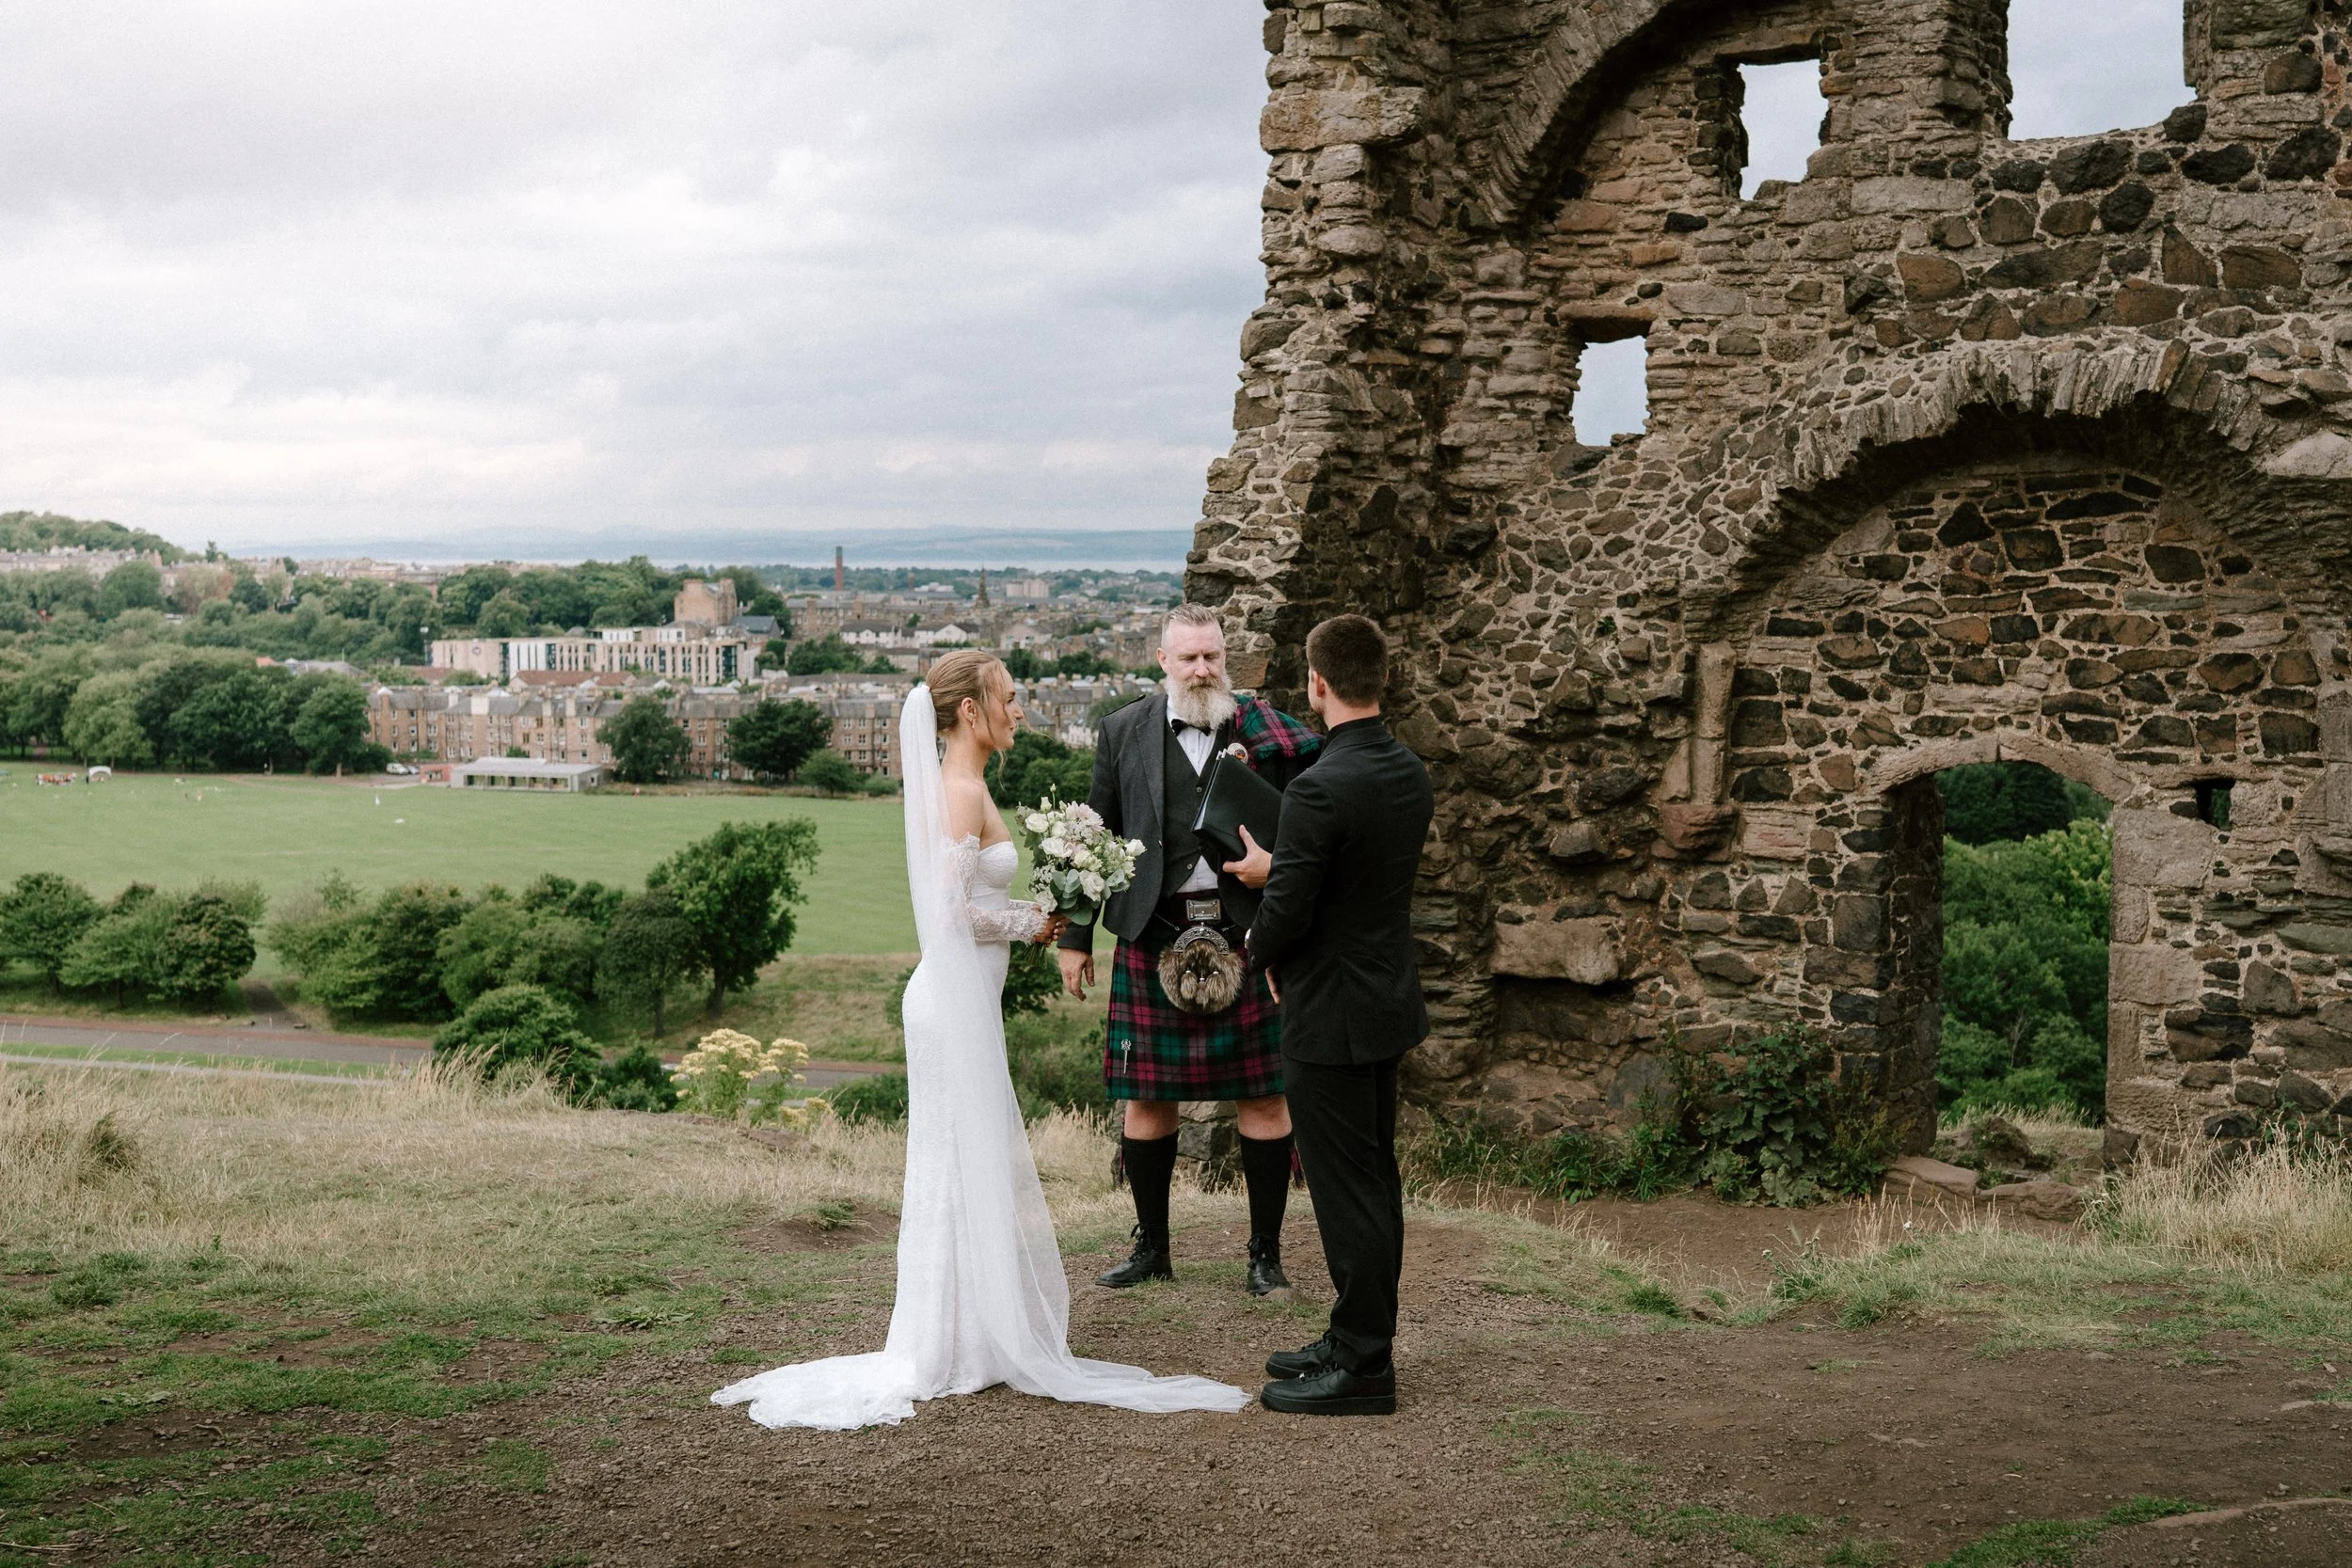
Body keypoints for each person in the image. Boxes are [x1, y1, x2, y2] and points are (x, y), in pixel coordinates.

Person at [711, 650, 1248, 1430]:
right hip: (950, 1000)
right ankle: (945, 1341)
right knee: (954, 1159)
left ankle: (965, 1330)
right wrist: (1036, 921)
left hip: (962, 996)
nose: (1020, 709)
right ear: (970, 712)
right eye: (1009, 697)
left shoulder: (968, 782)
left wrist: (1047, 905)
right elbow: (954, 912)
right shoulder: (960, 791)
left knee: (962, 1160)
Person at [1057, 605, 1323, 1295]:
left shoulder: (1266, 733)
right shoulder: (1123, 731)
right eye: (1188, 658)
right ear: (1163, 660)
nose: (1202, 669)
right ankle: (1152, 1248)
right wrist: (1077, 938)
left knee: (1266, 1099)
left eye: (1212, 656)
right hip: (1155, 930)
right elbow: (1094, 841)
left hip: (1247, 933)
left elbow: (1309, 826)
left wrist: (1285, 891)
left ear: (1224, 657)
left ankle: (1265, 1254)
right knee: (1146, 1100)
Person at [1232, 615, 1433, 1417]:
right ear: (1379, 678)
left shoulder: (1316, 786)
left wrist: (1260, 938)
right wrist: (1290, 867)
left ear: (1317, 684)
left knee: (1347, 1191)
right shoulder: (1406, 770)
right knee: (1374, 1181)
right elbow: (1353, 879)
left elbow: (1287, 909)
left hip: (1331, 1012)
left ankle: (1364, 1366)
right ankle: (1354, 1332)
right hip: (1385, 999)